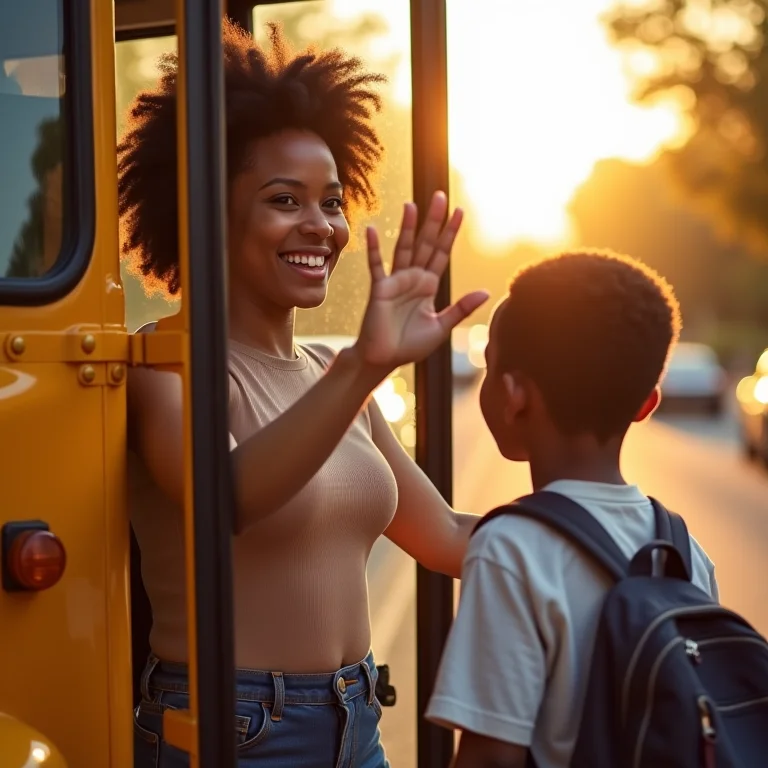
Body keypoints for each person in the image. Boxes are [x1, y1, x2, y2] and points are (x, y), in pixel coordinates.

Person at [121, 19, 488, 768]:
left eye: (331, 201)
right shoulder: (165, 366)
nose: (320, 226)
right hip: (234, 729)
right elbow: (224, 500)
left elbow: (448, 539)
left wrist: (595, 524)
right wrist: (365, 367)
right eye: (285, 200)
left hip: (355, 722)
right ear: (202, 212)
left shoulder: (328, 370)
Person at [426, 250, 720, 768]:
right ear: (646, 404)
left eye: (490, 366)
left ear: (514, 394)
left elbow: (491, 757)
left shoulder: (512, 549)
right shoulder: (685, 552)